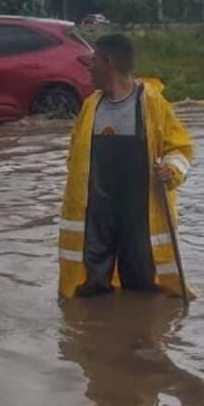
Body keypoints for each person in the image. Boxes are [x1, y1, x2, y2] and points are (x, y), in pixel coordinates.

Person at [58, 33, 194, 299]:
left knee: (143, 289)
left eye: (94, 61)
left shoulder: (152, 104)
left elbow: (180, 148)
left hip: (140, 215)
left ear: (109, 61)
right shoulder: (90, 106)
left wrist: (172, 169)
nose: (89, 68)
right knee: (89, 290)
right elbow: (74, 156)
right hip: (96, 215)